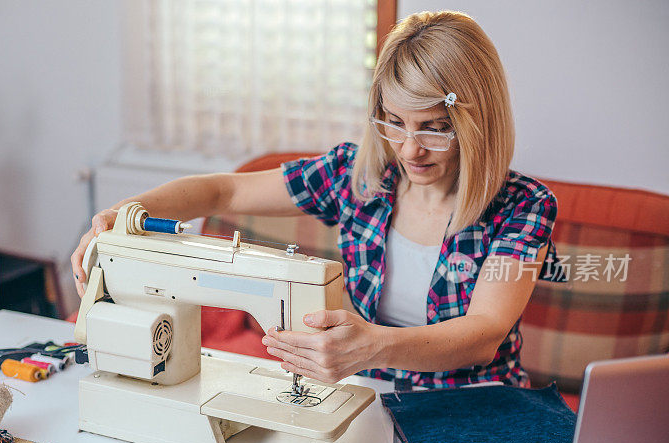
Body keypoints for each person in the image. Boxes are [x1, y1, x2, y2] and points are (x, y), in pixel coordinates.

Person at [71, 11, 565, 389]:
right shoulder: (358, 178)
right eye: (394, 122)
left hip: (479, 406)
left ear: (478, 125)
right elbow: (223, 190)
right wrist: (125, 214)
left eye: (435, 129)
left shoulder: (523, 207)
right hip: (375, 397)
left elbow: (483, 335)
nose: (410, 149)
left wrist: (371, 347)